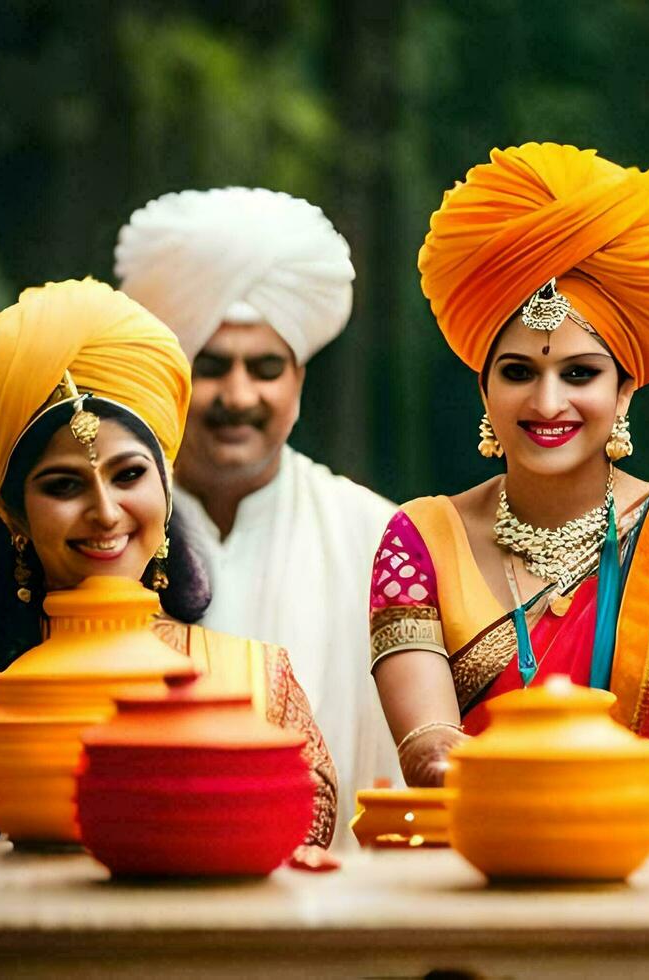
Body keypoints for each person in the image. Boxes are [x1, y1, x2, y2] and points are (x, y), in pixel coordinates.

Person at [0, 278, 337, 892]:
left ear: (164, 485)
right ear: (16, 516)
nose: (105, 512)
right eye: (64, 486)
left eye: (129, 474)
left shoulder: (253, 679)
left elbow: (301, 887)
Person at [372, 142, 649, 880]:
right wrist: (538, 832)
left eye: (580, 374)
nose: (548, 403)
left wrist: (600, 833)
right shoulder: (419, 539)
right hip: (482, 856)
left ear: (625, 390)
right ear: (483, 389)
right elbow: (431, 753)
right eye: (519, 372)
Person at [115, 187, 400, 828]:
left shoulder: (374, 535)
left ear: (299, 379)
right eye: (212, 366)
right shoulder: (109, 529)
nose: (238, 395)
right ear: (172, 373)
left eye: (266, 367)